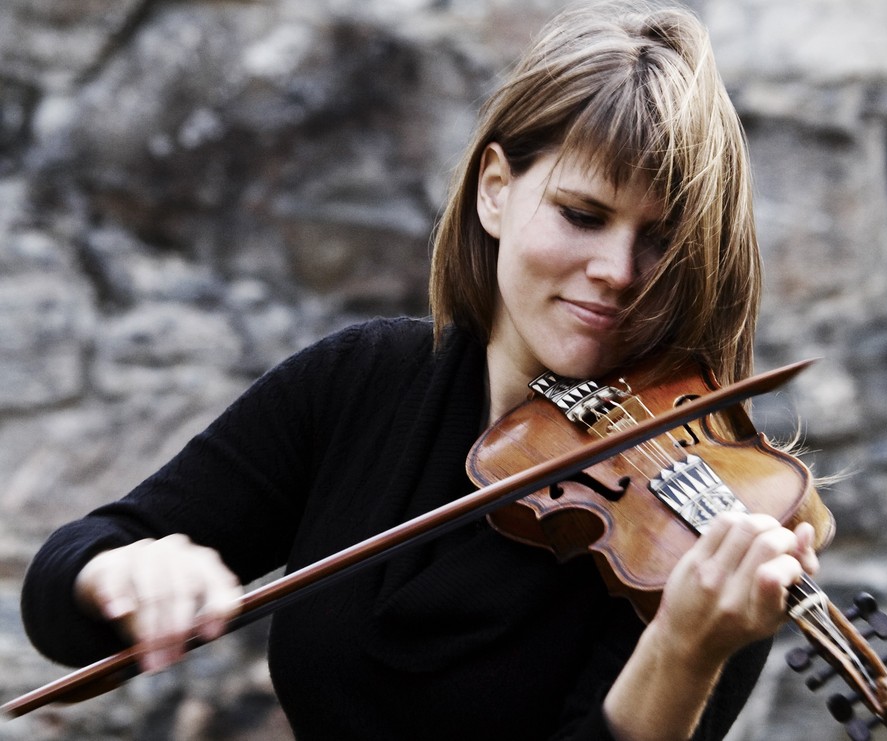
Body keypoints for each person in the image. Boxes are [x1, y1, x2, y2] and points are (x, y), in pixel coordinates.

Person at [20, 1, 820, 739]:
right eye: (583, 215)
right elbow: (65, 585)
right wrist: (121, 570)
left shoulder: (710, 524)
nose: (616, 268)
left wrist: (682, 650)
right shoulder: (363, 383)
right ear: (497, 191)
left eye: (660, 241)